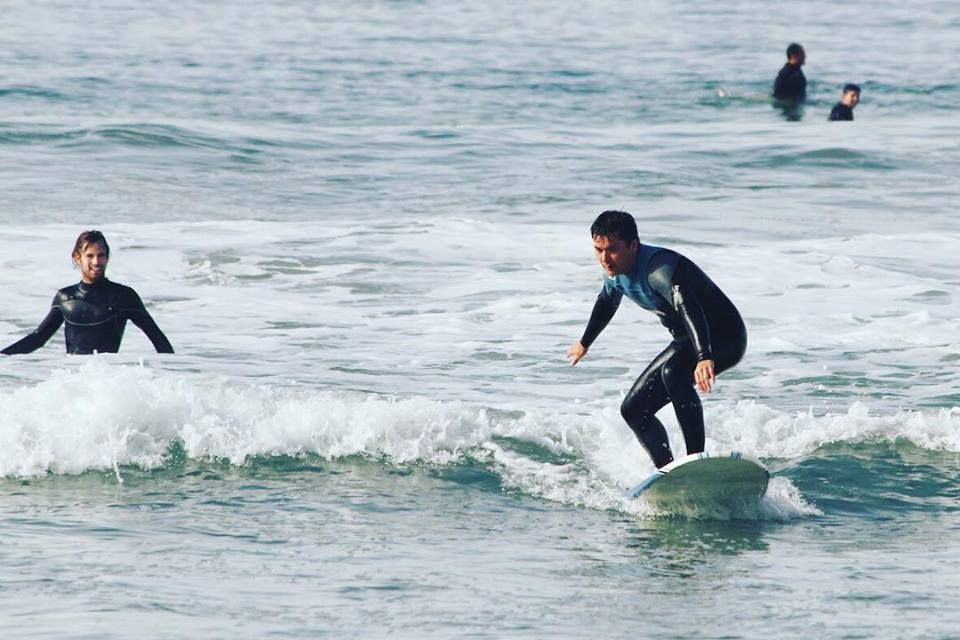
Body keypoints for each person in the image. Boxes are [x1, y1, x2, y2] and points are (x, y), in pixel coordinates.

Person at [566, 211, 746, 468]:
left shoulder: (658, 269)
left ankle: (695, 461)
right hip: (688, 341)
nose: (605, 258)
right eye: (598, 250)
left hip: (725, 336)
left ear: (633, 245)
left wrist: (703, 356)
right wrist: (585, 343)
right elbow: (607, 302)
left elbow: (687, 307)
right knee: (633, 410)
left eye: (613, 249)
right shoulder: (614, 272)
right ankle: (668, 471)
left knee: (674, 372)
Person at [2, 230, 174, 355]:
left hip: (104, 383)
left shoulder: (123, 296)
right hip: (74, 384)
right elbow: (38, 339)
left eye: (101, 255)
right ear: (78, 258)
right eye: (90, 256)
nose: (96, 262)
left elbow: (158, 339)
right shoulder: (65, 298)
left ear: (107, 258)